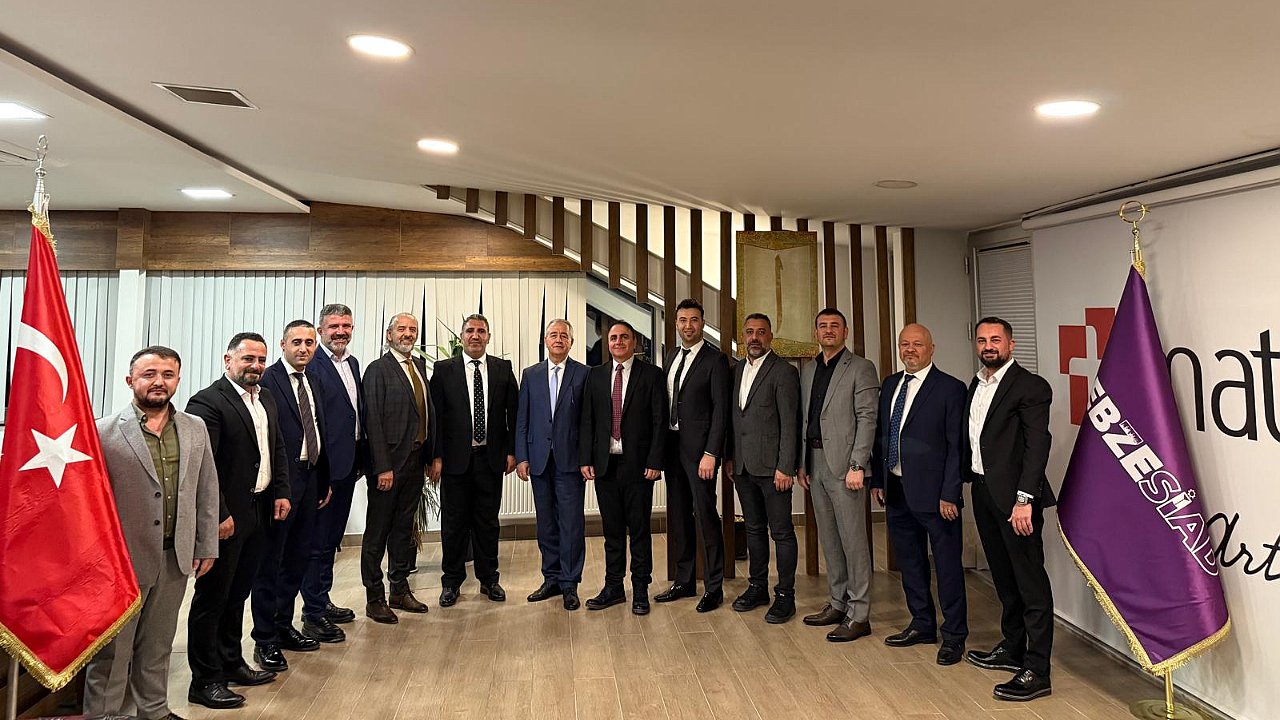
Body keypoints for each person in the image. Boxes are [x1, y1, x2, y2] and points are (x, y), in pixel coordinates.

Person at [84, 346, 219, 720]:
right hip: (122, 563)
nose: (159, 382)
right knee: (113, 651)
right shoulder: (103, 432)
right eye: (149, 374)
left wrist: (206, 543)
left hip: (175, 557)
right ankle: (104, 714)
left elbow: (206, 488)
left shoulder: (194, 428)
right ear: (130, 380)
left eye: (167, 375)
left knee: (158, 643)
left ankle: (154, 710)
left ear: (177, 380)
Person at [185, 333, 291, 710]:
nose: (256, 366)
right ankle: (204, 680)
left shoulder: (266, 398)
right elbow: (203, 465)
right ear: (227, 360)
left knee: (238, 593)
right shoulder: (207, 402)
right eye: (248, 358)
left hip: (259, 510)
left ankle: (231, 663)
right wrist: (219, 513)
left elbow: (276, 448)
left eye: (261, 359)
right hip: (226, 516)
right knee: (213, 598)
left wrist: (281, 490)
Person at [962, 317, 1055, 701]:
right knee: (1004, 577)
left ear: (1011, 344)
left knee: (1030, 584)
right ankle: (1013, 647)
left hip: (1018, 502)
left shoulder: (1031, 386)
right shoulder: (977, 384)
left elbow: (1037, 448)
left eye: (995, 340)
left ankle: (1037, 670)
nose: (988, 346)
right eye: (982, 340)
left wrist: (1024, 500)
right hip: (984, 493)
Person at [870, 323, 969, 665]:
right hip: (897, 490)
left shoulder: (951, 388)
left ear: (931, 348)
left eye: (917, 344)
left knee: (947, 567)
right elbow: (883, 434)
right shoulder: (890, 384)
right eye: (904, 344)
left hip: (937, 497)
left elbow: (957, 446)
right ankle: (922, 624)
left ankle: (954, 635)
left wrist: (950, 493)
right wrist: (879, 480)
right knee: (910, 563)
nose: (910, 350)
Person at [250, 320, 332, 674]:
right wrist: (278, 488)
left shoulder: (313, 379)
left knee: (299, 558)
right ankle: (264, 638)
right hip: (281, 483)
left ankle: (283, 626)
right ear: (283, 344)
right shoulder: (267, 381)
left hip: (310, 478)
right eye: (297, 342)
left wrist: (323, 479)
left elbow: (318, 429)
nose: (304, 348)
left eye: (309, 342)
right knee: (271, 563)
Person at [797, 308, 879, 641]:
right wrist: (802, 463)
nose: (828, 330)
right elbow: (806, 419)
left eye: (835, 326)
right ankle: (838, 602)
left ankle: (860, 614)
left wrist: (858, 464)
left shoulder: (861, 367)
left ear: (845, 332)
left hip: (846, 467)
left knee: (853, 541)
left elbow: (868, 418)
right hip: (815, 463)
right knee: (830, 539)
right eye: (822, 326)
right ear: (816, 333)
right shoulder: (808, 370)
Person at [579, 321, 666, 615]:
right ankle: (613, 587)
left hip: (638, 466)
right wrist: (586, 458)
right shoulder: (595, 375)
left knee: (639, 530)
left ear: (634, 342)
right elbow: (588, 420)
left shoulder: (651, 375)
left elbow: (659, 421)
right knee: (612, 531)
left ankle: (640, 589)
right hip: (605, 465)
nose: (618, 342)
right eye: (613, 337)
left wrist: (655, 461)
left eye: (624, 337)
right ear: (608, 342)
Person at [430, 314, 519, 606]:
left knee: (487, 523)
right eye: (470, 330)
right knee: (453, 524)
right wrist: (436, 456)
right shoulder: (444, 370)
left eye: (481, 331)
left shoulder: (503, 368)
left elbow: (513, 413)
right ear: (462, 336)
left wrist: (511, 451)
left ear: (488, 337)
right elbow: (435, 418)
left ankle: (489, 579)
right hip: (455, 461)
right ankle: (451, 582)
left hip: (490, 460)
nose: (475, 336)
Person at [724, 313, 800, 624]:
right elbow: (735, 419)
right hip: (743, 466)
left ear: (770, 336)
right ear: (743, 336)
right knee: (754, 529)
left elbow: (790, 423)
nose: (754, 337)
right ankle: (757, 587)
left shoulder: (784, 371)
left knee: (781, 532)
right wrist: (731, 457)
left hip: (773, 469)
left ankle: (785, 595)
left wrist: (786, 467)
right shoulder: (737, 370)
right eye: (749, 332)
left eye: (761, 332)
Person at [656, 298, 731, 613]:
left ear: (703, 323)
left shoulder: (715, 360)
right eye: (683, 320)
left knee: (706, 516)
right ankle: (684, 581)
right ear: (676, 323)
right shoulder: (671, 356)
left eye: (694, 320)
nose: (688, 326)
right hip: (673, 449)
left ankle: (714, 587)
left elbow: (720, 411)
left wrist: (712, 452)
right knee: (679, 516)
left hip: (701, 453)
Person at [361, 312, 436, 623]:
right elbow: (372, 422)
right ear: (388, 334)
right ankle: (374, 598)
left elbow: (426, 414)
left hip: (415, 461)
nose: (408, 334)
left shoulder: (417, 366)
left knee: (404, 530)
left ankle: (399, 590)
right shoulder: (377, 370)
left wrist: (431, 457)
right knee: (377, 532)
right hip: (389, 465)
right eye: (401, 329)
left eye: (412, 329)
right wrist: (382, 467)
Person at [515, 319, 589, 610]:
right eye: (553, 335)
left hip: (571, 462)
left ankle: (570, 583)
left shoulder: (583, 374)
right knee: (546, 524)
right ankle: (552, 578)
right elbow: (522, 419)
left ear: (571, 342)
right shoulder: (530, 374)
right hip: (539, 461)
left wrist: (587, 459)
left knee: (571, 524)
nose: (558, 339)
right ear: (545, 340)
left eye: (564, 336)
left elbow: (588, 422)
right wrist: (522, 457)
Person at [300, 304, 364, 634]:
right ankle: (312, 613)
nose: (340, 331)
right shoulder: (311, 365)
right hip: (323, 471)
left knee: (332, 540)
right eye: (334, 326)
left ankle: (322, 599)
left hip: (348, 468)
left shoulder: (352, 363)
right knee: (316, 542)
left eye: (346, 326)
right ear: (321, 330)